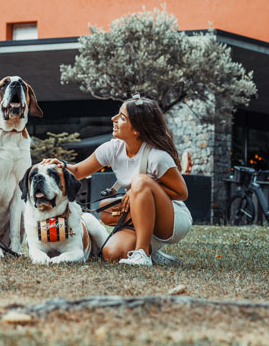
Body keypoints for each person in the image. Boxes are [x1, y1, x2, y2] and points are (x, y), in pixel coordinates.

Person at [43, 95, 192, 266]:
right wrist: (60, 165)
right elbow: (78, 171)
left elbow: (182, 193)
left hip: (172, 220)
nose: (113, 119)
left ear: (136, 129)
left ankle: (142, 253)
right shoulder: (113, 148)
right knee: (111, 253)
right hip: (142, 219)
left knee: (141, 181)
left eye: (121, 117)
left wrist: (141, 190)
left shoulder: (157, 157)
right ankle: (154, 254)